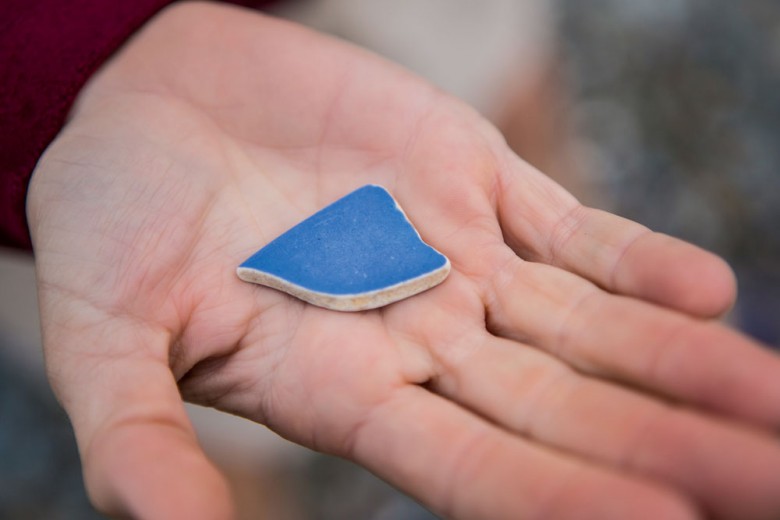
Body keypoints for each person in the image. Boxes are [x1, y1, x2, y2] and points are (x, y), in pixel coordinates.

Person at [3, 2, 780, 519]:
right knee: (213, 389)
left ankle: (604, 328)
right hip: (78, 85)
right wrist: (62, 71)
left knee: (506, 125)